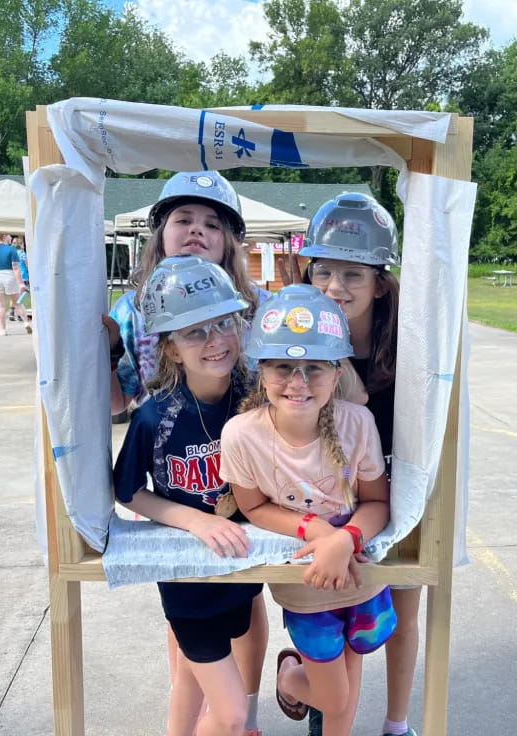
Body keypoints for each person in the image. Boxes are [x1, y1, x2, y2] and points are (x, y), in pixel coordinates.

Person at [220, 285, 395, 736]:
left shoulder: (358, 424)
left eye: (314, 368)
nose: (298, 383)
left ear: (337, 375)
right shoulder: (241, 434)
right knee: (334, 695)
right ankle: (289, 679)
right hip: (306, 577)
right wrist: (316, 531)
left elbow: (377, 502)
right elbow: (253, 505)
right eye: (283, 368)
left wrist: (344, 539)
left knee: (349, 685)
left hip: (357, 567)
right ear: (261, 373)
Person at [112, 255, 266, 736]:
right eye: (195, 331)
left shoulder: (258, 396)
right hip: (187, 582)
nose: (216, 339)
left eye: (224, 322)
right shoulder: (156, 416)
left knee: (190, 683)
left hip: (239, 568)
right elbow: (128, 491)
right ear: (172, 349)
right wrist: (195, 520)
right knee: (233, 715)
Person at [297, 192, 417, 736]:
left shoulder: (414, 340)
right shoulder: (300, 333)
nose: (334, 288)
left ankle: (396, 726)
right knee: (336, 621)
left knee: (402, 614)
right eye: (323, 271)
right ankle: (322, 709)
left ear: (379, 283)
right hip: (333, 499)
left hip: (402, 494)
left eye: (352, 275)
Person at [106, 171, 264, 415]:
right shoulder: (133, 311)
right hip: (167, 450)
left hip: (248, 448)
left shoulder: (261, 307)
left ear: (228, 242)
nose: (196, 230)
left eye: (212, 225)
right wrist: (108, 354)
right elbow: (116, 405)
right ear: (161, 234)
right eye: (183, 220)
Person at [0, 234, 30, 335]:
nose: (11, 238)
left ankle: (2, 329)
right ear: (4, 236)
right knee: (18, 303)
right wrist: (21, 283)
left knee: (0, 305)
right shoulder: (11, 249)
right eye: (9, 236)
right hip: (9, 276)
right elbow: (15, 268)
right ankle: (26, 322)